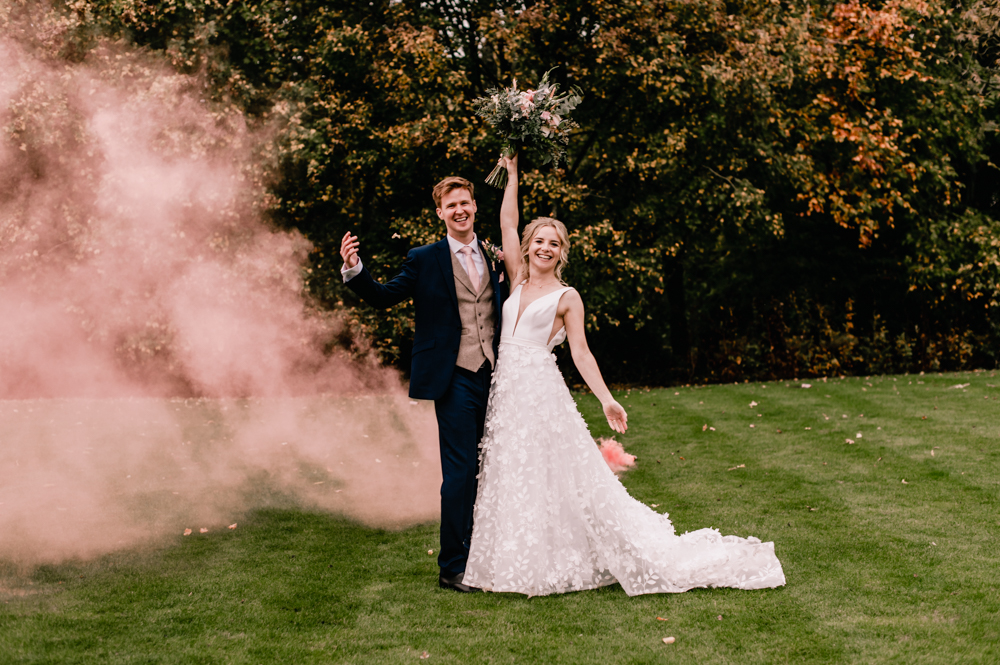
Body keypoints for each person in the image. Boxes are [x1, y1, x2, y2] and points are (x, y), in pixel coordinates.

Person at [463, 156, 786, 596]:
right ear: (528, 244)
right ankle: (519, 563)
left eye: (553, 244)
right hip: (507, 391)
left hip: (540, 389)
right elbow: (506, 219)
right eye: (539, 240)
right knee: (514, 471)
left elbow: (581, 352)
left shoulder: (567, 296)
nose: (544, 248)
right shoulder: (516, 275)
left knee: (554, 472)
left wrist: (605, 399)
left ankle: (566, 561)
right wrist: (514, 176)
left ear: (562, 253)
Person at [339, 176, 507, 593]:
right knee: (460, 474)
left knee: (494, 470)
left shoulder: (494, 255)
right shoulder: (424, 258)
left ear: (474, 206)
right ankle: (453, 567)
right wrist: (354, 269)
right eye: (451, 206)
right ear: (440, 213)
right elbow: (382, 296)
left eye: (465, 203)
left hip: (498, 376)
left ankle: (488, 555)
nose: (460, 210)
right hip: (453, 379)